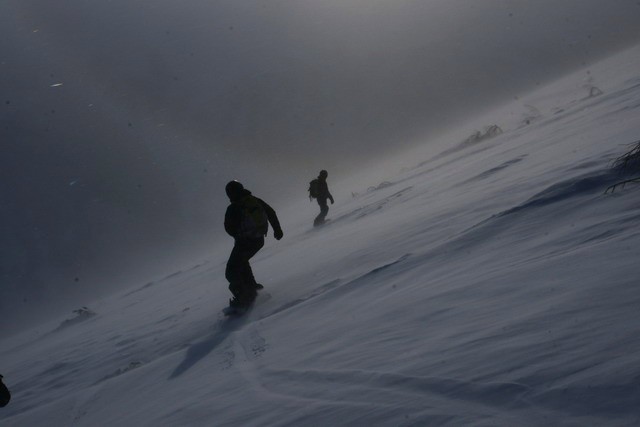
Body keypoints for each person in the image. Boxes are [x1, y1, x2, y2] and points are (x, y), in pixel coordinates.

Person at [224, 180, 283, 309]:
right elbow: (271, 212)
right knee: (242, 263)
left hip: (244, 242)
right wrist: (277, 230)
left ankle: (245, 298)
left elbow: (228, 227)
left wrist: (237, 234)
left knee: (231, 271)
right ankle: (253, 290)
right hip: (258, 239)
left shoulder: (234, 207)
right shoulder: (254, 200)